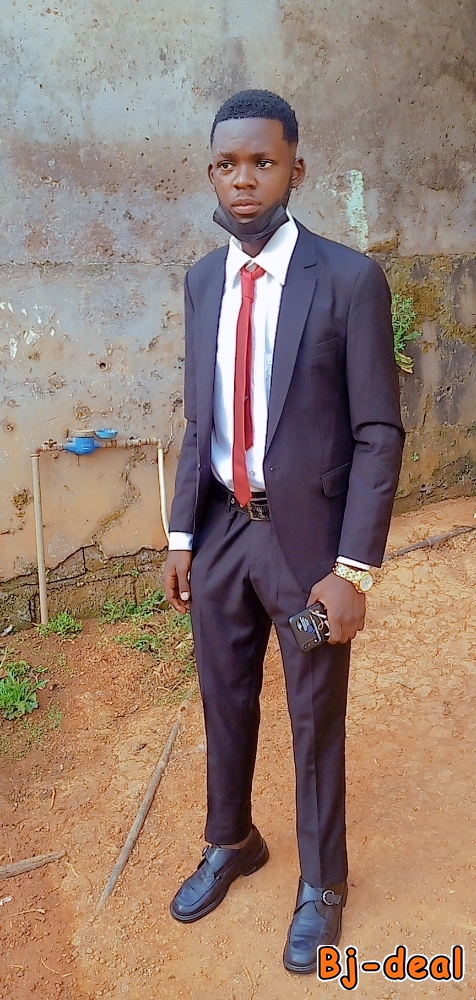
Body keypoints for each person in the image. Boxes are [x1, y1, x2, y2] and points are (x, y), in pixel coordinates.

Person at [163, 89, 404, 975]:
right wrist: (181, 534)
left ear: (296, 169)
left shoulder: (347, 280)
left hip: (308, 545)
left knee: (314, 714)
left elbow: (378, 432)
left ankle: (322, 882)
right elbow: (200, 419)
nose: (245, 180)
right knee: (223, 696)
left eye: (263, 163)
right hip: (223, 528)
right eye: (227, 165)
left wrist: (354, 569)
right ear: (211, 175)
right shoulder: (203, 281)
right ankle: (232, 841)